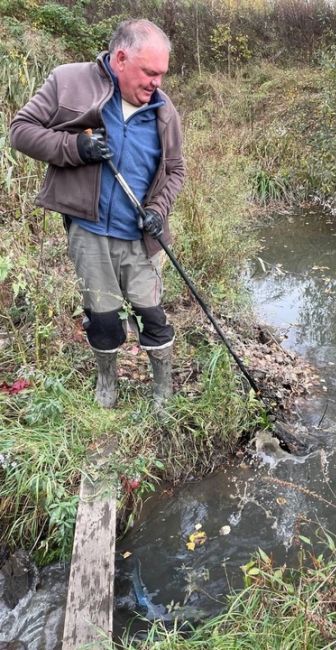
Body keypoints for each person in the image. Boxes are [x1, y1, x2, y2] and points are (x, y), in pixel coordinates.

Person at [10, 19, 185, 409]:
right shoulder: (69, 81)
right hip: (88, 231)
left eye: (162, 74)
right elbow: (21, 131)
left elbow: (175, 170)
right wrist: (77, 148)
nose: (157, 82)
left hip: (141, 236)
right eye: (150, 72)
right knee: (103, 318)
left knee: (152, 315)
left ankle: (163, 391)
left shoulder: (163, 109)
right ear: (121, 58)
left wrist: (158, 209)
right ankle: (107, 382)